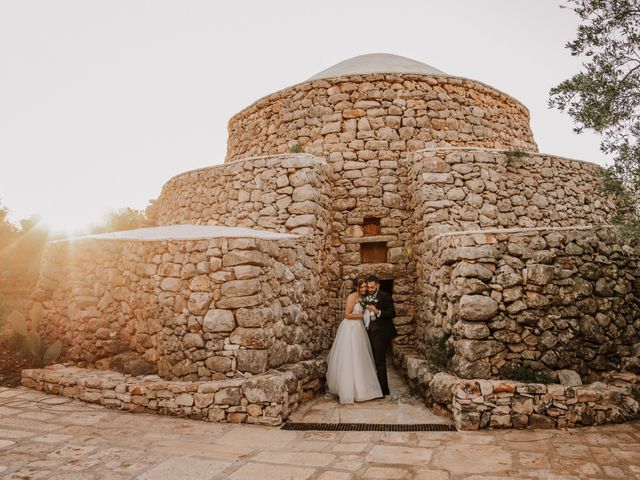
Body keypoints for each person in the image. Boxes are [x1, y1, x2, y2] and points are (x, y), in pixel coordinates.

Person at [325, 277, 383, 403]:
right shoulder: (352, 297)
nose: (363, 289)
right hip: (350, 328)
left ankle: (363, 388)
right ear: (356, 287)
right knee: (349, 356)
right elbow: (347, 315)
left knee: (360, 356)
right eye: (361, 287)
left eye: (365, 287)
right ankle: (347, 390)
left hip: (360, 329)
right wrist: (363, 315)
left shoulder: (365, 298)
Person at [364, 275, 397, 396]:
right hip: (367, 331)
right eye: (368, 287)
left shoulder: (385, 296)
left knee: (380, 361)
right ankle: (371, 387)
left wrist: (378, 311)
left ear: (378, 285)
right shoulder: (365, 296)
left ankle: (383, 390)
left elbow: (392, 313)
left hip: (380, 332)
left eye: (372, 287)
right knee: (369, 360)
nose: (370, 289)